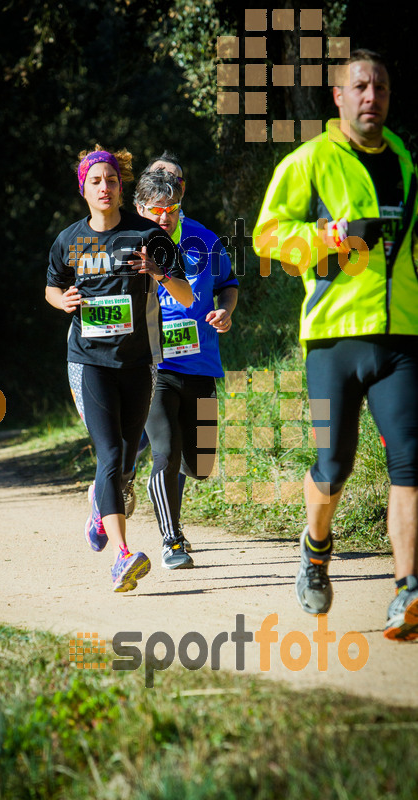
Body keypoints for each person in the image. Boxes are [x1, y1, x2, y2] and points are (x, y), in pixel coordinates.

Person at [253, 49, 418, 640]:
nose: (372, 95)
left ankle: (407, 592)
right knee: (333, 464)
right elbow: (267, 237)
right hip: (330, 342)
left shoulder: (403, 160)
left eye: (380, 86)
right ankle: (316, 549)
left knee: (410, 460)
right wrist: (331, 236)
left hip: (399, 337)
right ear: (339, 98)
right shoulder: (310, 161)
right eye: (360, 86)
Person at [45, 145, 192, 592]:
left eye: (111, 180)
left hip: (138, 362)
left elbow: (186, 295)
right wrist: (63, 300)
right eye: (96, 181)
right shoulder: (68, 240)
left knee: (126, 460)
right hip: (89, 361)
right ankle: (122, 556)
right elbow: (51, 289)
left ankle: (99, 505)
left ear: (121, 187)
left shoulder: (148, 234)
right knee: (109, 455)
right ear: (84, 191)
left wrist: (159, 273)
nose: (104, 187)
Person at [134, 163, 238, 569]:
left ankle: (162, 485)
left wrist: (225, 313)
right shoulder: (127, 245)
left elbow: (228, 286)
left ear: (180, 206)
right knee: (167, 453)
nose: (164, 217)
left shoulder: (205, 240)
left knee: (201, 464)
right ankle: (171, 540)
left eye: (171, 209)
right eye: (155, 210)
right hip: (154, 367)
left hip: (202, 364)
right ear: (140, 207)